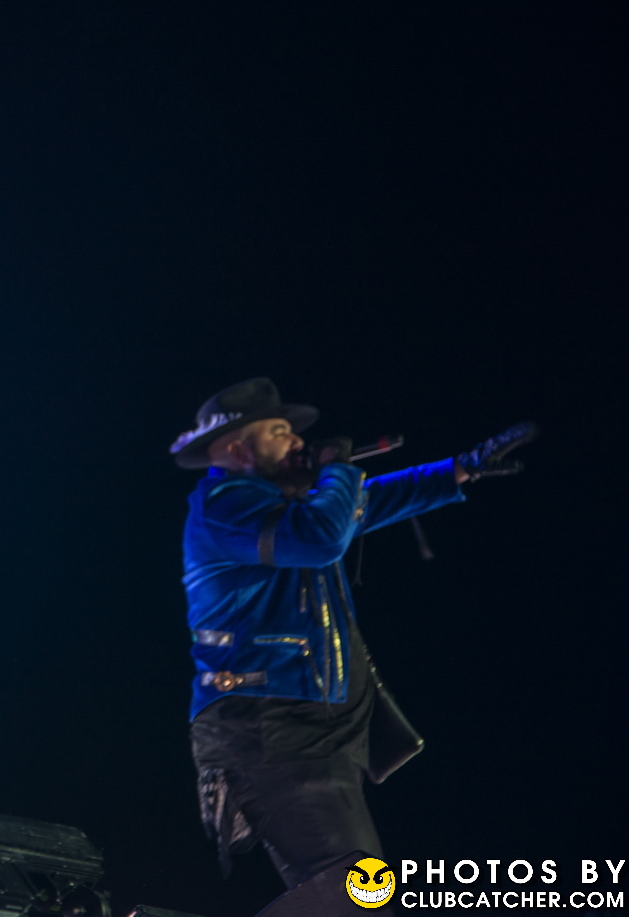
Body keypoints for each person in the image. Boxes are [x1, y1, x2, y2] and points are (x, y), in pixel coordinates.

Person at [169, 377, 534, 890]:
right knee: (354, 889)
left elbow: (367, 502)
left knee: (342, 890)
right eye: (279, 432)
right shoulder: (223, 505)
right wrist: (337, 470)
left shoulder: (285, 506)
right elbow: (321, 536)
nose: (297, 441)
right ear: (236, 449)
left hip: (310, 730)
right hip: (269, 728)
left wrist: (460, 468)